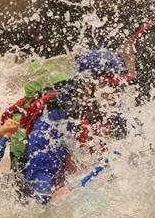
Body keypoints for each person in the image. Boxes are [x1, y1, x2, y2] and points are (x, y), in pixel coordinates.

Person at [16, 48, 133, 204]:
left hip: (90, 187)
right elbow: (41, 172)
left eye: (119, 85)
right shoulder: (54, 118)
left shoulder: (119, 112)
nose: (116, 92)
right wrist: (46, 200)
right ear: (87, 85)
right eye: (109, 85)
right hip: (57, 192)